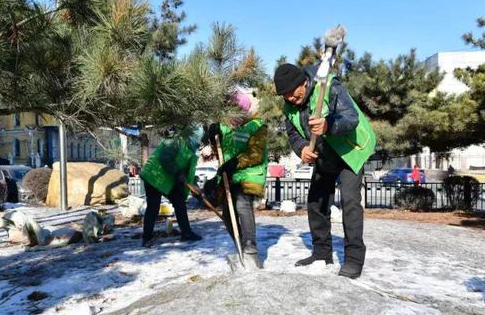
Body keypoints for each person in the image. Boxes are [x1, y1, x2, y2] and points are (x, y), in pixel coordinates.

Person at [274, 63, 376, 278]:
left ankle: (354, 259)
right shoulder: (289, 105)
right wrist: (302, 149)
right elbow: (293, 134)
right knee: (316, 202)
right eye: (285, 96)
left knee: (350, 201)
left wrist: (328, 124)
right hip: (324, 153)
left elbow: (350, 117)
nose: (290, 99)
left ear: (303, 82)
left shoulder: (328, 86)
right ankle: (322, 253)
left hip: (349, 149)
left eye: (293, 94)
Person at [206, 92, 268, 268]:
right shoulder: (226, 126)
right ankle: (240, 245)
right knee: (227, 213)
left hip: (250, 174)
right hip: (229, 175)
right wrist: (212, 136)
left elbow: (255, 155)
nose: (233, 121)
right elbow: (218, 148)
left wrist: (234, 163)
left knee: (242, 205)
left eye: (237, 115)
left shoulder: (257, 126)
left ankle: (250, 250)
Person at [139, 126, 204, 247]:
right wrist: (178, 174)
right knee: (153, 206)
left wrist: (194, 187)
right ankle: (147, 238)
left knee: (179, 203)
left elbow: (188, 172)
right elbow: (165, 158)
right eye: (197, 138)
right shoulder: (175, 141)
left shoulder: (190, 149)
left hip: (168, 180)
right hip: (153, 176)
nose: (198, 142)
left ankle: (186, 233)